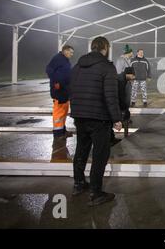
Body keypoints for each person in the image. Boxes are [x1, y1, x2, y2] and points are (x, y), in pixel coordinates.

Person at [70, 36, 122, 206]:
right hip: (98, 117)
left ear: (92, 47)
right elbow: (111, 96)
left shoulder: (77, 66)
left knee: (81, 150)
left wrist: (77, 111)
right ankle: (95, 192)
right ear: (105, 48)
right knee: (100, 154)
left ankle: (78, 184)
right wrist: (116, 119)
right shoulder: (107, 67)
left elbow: (72, 89)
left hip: (79, 115)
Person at [45, 45, 74, 140]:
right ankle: (58, 134)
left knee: (64, 112)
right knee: (59, 113)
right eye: (71, 52)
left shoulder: (65, 60)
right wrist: (56, 82)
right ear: (65, 51)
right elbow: (49, 69)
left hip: (65, 90)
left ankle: (62, 130)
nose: (72, 54)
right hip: (59, 91)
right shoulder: (57, 58)